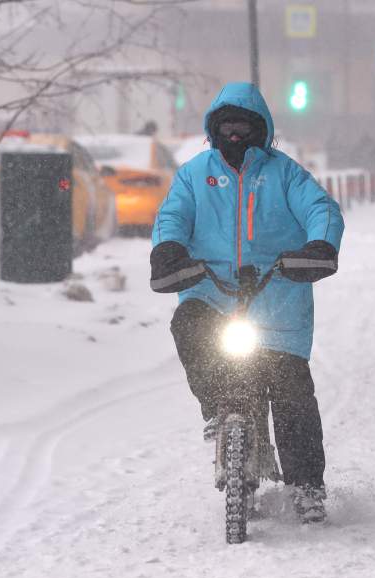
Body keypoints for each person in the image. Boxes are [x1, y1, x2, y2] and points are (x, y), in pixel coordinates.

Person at [149, 82, 345, 522]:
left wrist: (318, 245)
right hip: (212, 293)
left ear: (261, 130)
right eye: (227, 128)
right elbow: (171, 217)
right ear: (214, 130)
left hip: (279, 300)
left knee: (293, 393)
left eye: (244, 127)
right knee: (189, 326)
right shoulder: (194, 176)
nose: (235, 137)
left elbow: (322, 208)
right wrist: (168, 249)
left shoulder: (285, 174)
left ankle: (307, 486)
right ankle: (220, 411)